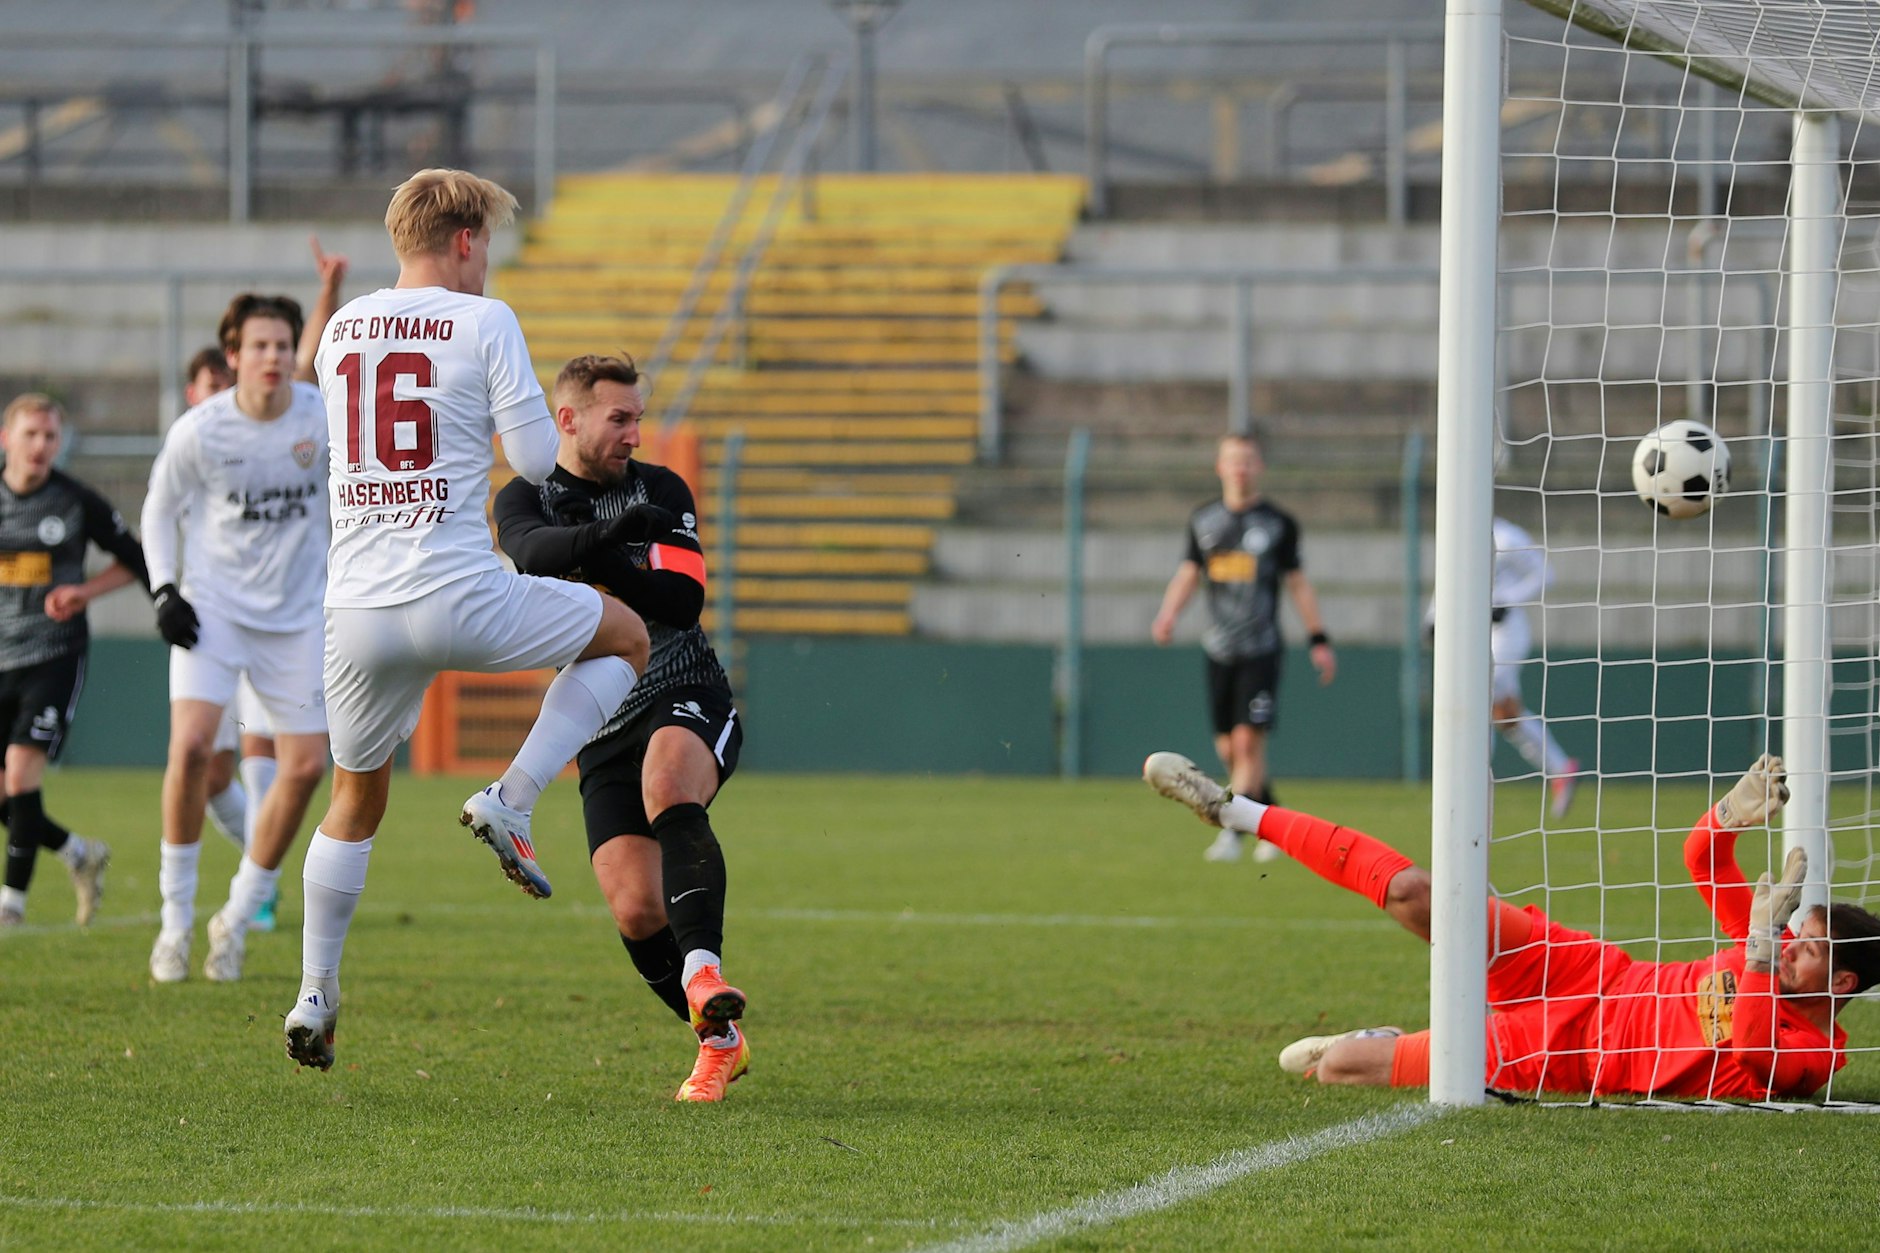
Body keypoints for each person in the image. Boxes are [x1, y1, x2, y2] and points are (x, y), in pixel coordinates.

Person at [284, 168, 650, 1071]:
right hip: (454, 591)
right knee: (627, 636)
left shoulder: (340, 328)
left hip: (357, 609)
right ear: (463, 241)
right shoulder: (485, 319)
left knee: (356, 796)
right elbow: (530, 457)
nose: (489, 258)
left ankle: (314, 991)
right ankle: (512, 797)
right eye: (487, 240)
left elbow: (333, 411)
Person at [1143, 750, 1880, 1100]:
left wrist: (1756, 950)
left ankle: (1380, 1042)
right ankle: (1235, 810)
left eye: (1807, 945)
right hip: (1590, 970)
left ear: (1842, 982)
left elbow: (1753, 1047)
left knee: (1334, 1069)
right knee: (1417, 892)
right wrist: (1729, 814)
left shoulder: (1812, 1053)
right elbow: (1700, 857)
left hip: (1566, 1055)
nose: (1788, 945)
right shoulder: (1770, 950)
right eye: (1793, 930)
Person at [494, 353, 749, 1102]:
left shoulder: (659, 487)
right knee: (634, 906)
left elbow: (680, 598)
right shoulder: (525, 496)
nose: (635, 433)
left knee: (668, 781)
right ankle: (720, 1040)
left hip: (686, 688)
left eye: (638, 417)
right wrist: (605, 546)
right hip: (600, 722)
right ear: (567, 419)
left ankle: (704, 969)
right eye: (620, 418)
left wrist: (603, 557)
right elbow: (530, 550)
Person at [142, 293, 333, 984]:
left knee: (307, 767)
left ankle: (239, 913)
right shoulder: (202, 430)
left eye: (284, 344)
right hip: (213, 610)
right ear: (234, 355)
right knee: (192, 747)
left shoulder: (322, 417)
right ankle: (175, 923)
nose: (274, 356)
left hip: (298, 619)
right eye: (260, 345)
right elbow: (159, 508)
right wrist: (165, 588)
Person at [184, 236, 349, 929]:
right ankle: (252, 868)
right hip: (208, 616)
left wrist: (327, 292)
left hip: (281, 608)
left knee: (270, 747)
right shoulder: (196, 442)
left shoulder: (280, 420)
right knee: (209, 767)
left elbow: (306, 368)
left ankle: (259, 884)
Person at [0, 394, 152, 927]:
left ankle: (10, 907)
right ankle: (78, 853)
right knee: (8, 796)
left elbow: (137, 561)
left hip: (53, 655)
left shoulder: (74, 501)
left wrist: (84, 592)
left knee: (21, 774)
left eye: (50, 436)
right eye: (31, 435)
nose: (41, 446)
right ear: (7, 440)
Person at [1150, 433, 1335, 864]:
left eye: (1248, 461)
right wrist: (1168, 614)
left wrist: (1318, 638)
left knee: (1248, 745)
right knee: (1229, 750)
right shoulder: (1204, 520)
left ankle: (1233, 830)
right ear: (1220, 467)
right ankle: (1275, 819)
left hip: (1261, 649)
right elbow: (1188, 573)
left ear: (1260, 467)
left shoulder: (1277, 524)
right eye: (1233, 460)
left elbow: (1297, 583)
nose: (1240, 468)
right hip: (1218, 650)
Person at [1426, 516, 1581, 819]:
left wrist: (1506, 600)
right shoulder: (1458, 535)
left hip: (1507, 632)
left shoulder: (1509, 538)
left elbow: (1544, 575)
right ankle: (1561, 769)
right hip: (1473, 631)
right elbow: (1448, 580)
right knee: (1506, 715)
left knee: (1478, 698)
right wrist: (1432, 617)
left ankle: (1470, 787)